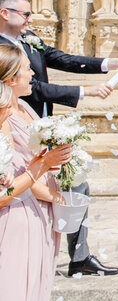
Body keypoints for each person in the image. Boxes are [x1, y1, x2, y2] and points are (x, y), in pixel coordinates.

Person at [0, 0, 118, 277]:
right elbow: (34, 87)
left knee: (75, 185)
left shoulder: (27, 39)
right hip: (13, 129)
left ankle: (76, 255)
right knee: (34, 190)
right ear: (5, 13)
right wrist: (84, 92)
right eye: (25, 13)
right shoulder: (3, 53)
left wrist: (108, 64)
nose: (30, 19)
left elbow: (58, 58)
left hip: (35, 125)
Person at [0, 46, 74, 299]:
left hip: (38, 210)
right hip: (16, 214)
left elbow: (34, 160)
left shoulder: (25, 107)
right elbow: (11, 181)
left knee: (34, 286)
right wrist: (45, 176)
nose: (33, 73)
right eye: (27, 69)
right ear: (10, 79)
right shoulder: (3, 122)